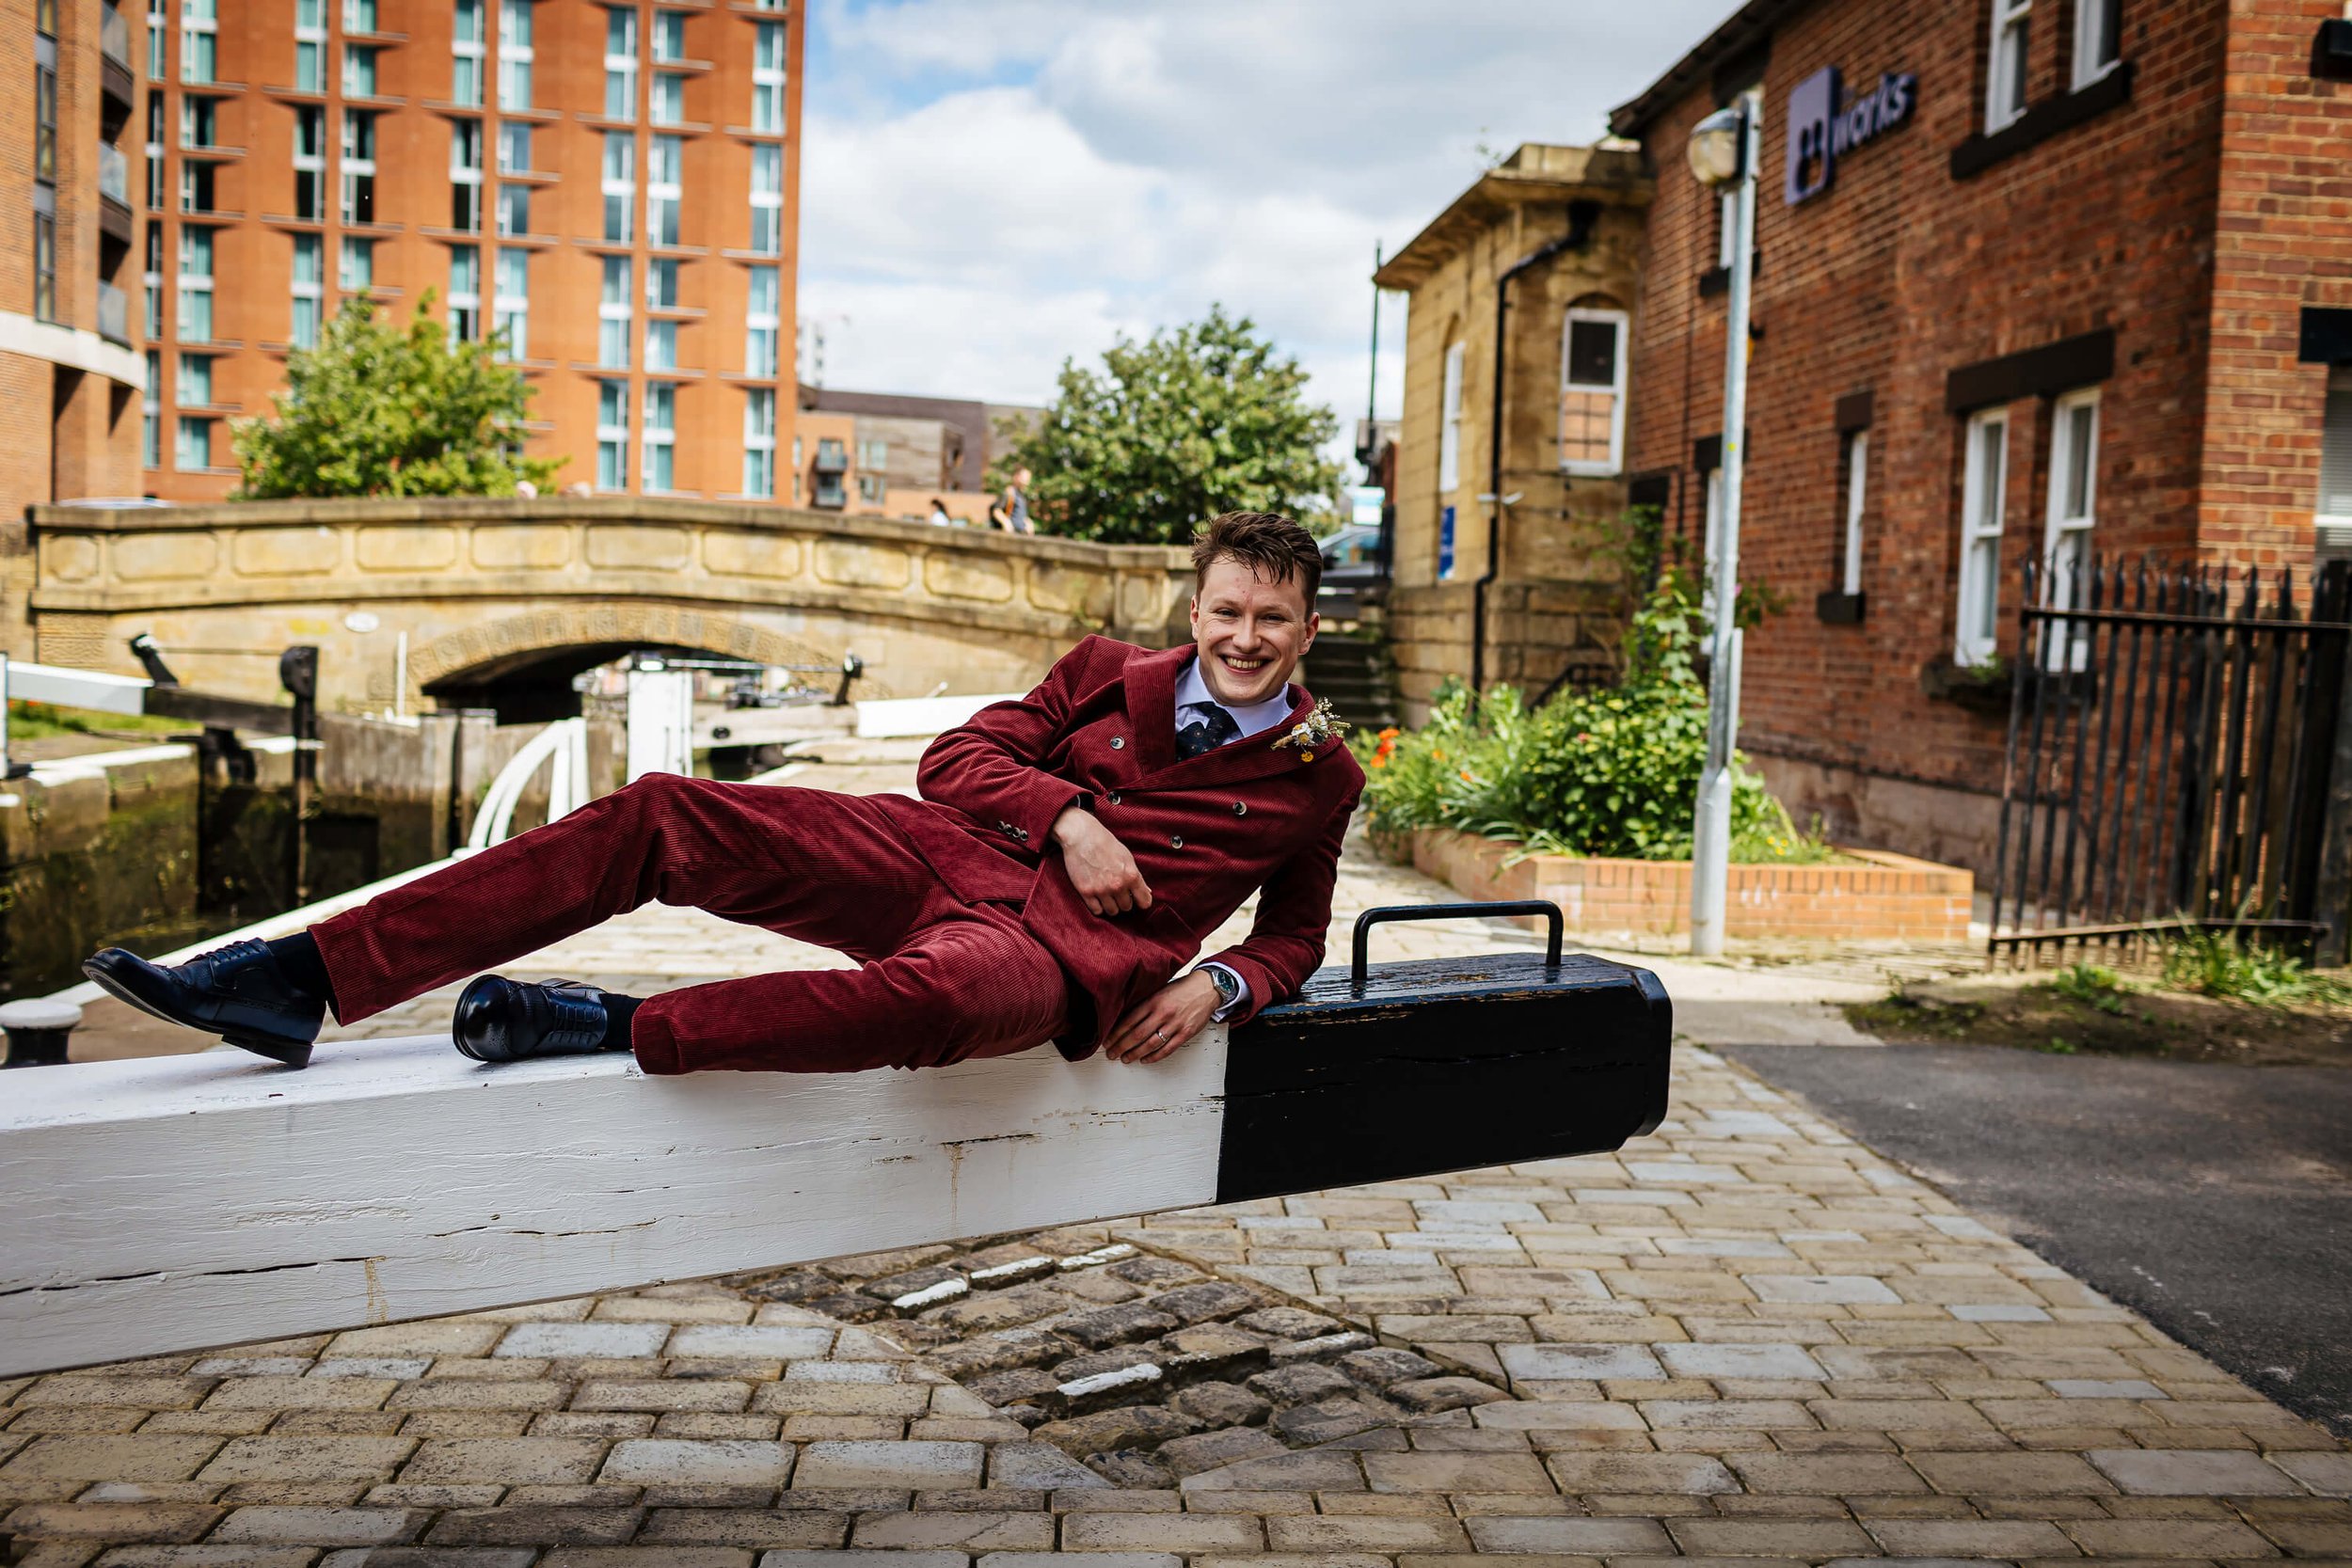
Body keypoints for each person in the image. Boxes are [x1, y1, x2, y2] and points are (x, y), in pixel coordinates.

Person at [84, 513, 1362, 1079]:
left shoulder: (1323, 775)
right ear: (1194, 607)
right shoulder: (1100, 670)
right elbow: (954, 762)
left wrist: (1221, 980)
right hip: (938, 850)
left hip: (1056, 952)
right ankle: (301, 977)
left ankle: (607, 1025)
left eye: (1271, 621)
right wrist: (1068, 815)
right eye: (1225, 612)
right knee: (661, 810)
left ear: (1307, 629)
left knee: (938, 1001)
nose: (1243, 638)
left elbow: (1296, 933)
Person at [1000, 467, 1034, 535]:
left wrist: (1028, 522)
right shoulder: (1010, 492)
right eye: (1025, 476)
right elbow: (996, 510)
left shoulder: (1022, 496)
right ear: (1016, 477)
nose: (1027, 479)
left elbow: (1020, 515)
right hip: (1011, 535)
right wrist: (1005, 522)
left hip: (1022, 534)